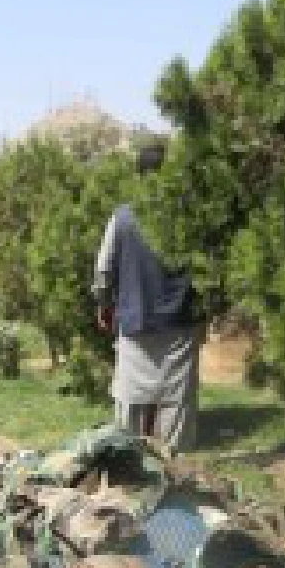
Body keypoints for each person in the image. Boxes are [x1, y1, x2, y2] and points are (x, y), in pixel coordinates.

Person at [94, 139, 202, 450]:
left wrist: (105, 307)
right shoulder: (189, 217)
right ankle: (172, 479)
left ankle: (130, 475)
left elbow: (104, 272)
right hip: (180, 328)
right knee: (176, 410)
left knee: (130, 408)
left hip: (134, 326)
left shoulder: (123, 218)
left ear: (138, 176)